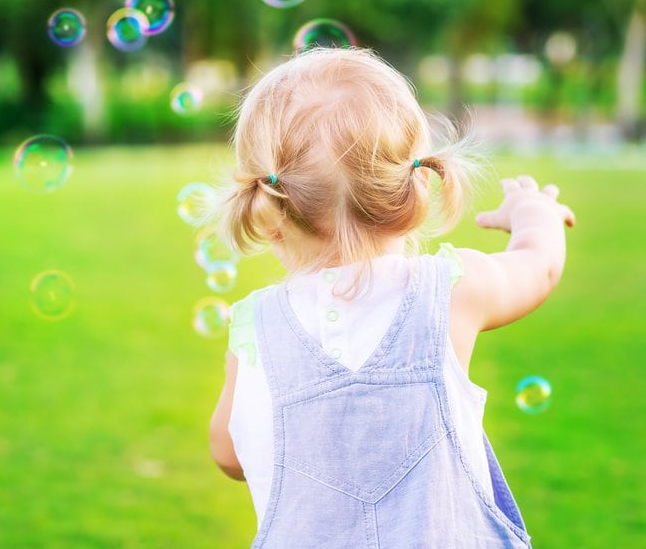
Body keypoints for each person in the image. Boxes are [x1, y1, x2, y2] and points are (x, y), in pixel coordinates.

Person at [208, 47, 575, 548]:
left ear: (269, 213)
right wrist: (536, 213)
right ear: (414, 187)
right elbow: (539, 266)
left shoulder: (254, 325)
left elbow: (229, 451)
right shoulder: (454, 287)